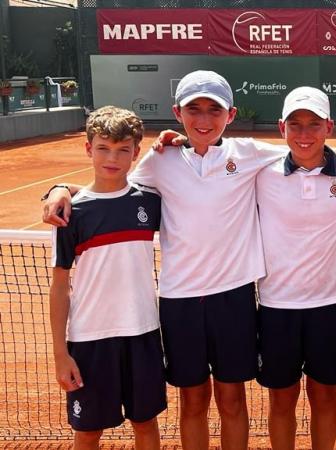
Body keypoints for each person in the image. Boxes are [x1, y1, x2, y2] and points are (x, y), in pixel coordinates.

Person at [43, 70, 288, 450]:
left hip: (234, 299)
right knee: (192, 402)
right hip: (180, 304)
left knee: (232, 399)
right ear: (177, 112)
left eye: (214, 110)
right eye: (194, 109)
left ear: (231, 115)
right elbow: (110, 187)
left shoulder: (250, 153)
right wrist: (60, 187)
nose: (204, 120)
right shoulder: (159, 162)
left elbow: (310, 152)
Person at [48, 106, 165, 450]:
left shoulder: (150, 202)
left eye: (122, 149)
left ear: (135, 153)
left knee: (146, 423)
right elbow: (59, 288)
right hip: (90, 340)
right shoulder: (71, 213)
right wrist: (60, 354)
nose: (112, 157)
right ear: (88, 149)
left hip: (143, 332)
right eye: (102, 148)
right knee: (87, 433)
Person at [253, 87, 336, 450]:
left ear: (329, 126)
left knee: (324, 399)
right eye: (295, 124)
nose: (304, 133)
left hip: (329, 306)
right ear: (281, 127)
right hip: (276, 307)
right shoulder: (260, 170)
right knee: (281, 401)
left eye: (314, 124)